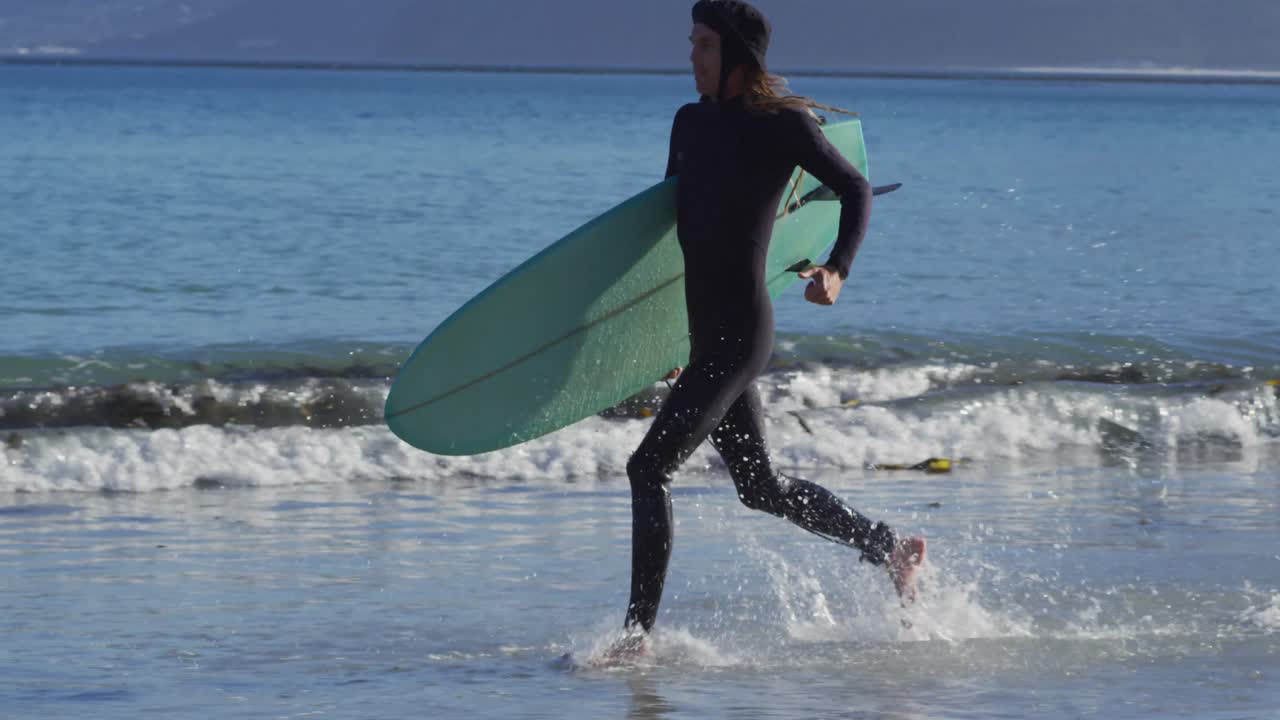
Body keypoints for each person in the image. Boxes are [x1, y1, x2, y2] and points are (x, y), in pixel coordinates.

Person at [613, 0, 925, 656]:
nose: (691, 56)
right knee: (761, 489)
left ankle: (637, 637)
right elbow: (678, 243)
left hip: (741, 335)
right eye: (691, 42)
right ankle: (889, 548)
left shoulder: (780, 124)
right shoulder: (689, 124)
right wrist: (669, 340)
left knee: (648, 469)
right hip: (704, 337)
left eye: (702, 44)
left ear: (735, 56)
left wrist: (837, 269)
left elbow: (855, 189)